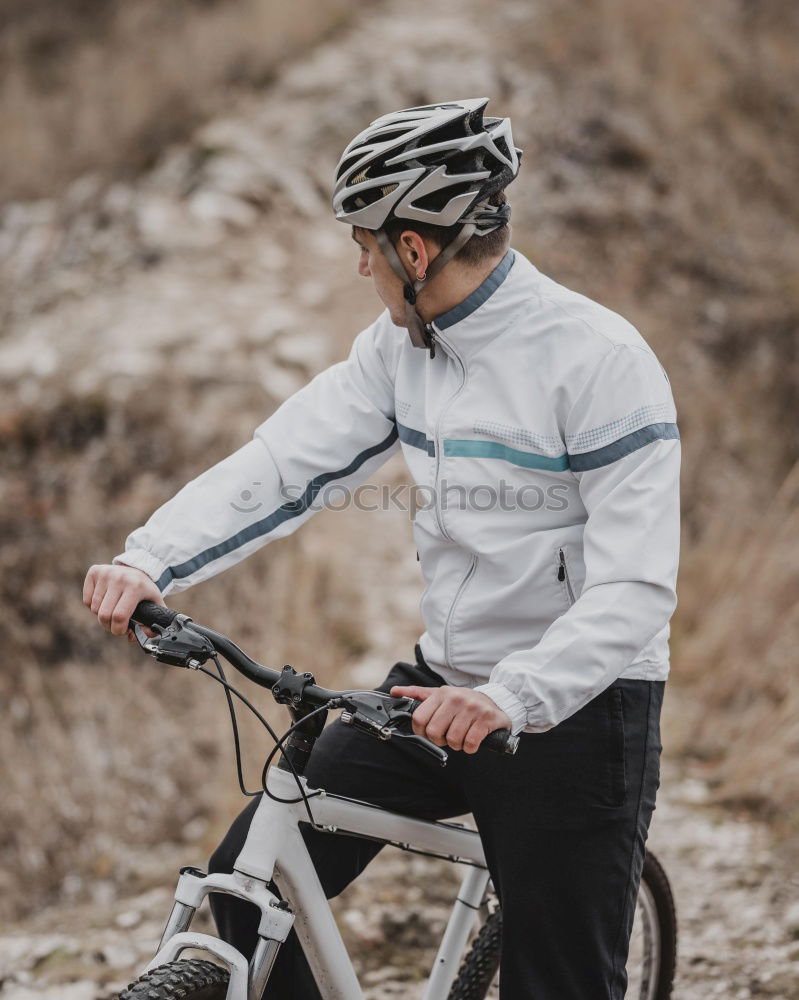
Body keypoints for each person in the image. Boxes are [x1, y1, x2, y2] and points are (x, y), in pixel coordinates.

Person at [84, 98, 680, 999]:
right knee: (251, 893)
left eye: (364, 242)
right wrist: (149, 558)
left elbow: (636, 585)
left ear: (414, 249)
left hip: (576, 708)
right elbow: (284, 463)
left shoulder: (597, 359)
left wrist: (511, 696)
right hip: (437, 686)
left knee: (556, 981)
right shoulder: (399, 348)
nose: (358, 263)